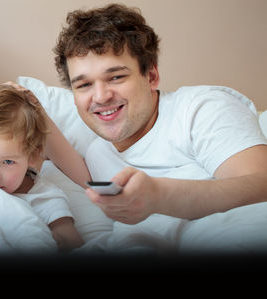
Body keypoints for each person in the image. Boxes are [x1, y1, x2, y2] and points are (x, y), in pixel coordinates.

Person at [52, 3, 267, 224]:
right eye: (84, 84)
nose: (100, 96)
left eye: (116, 77)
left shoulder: (200, 108)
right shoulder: (98, 155)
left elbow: (262, 186)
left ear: (151, 76)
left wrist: (161, 196)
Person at [0, 84, 84, 252]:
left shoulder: (44, 198)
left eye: (8, 162)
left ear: (33, 156)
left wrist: (59, 241)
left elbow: (71, 240)